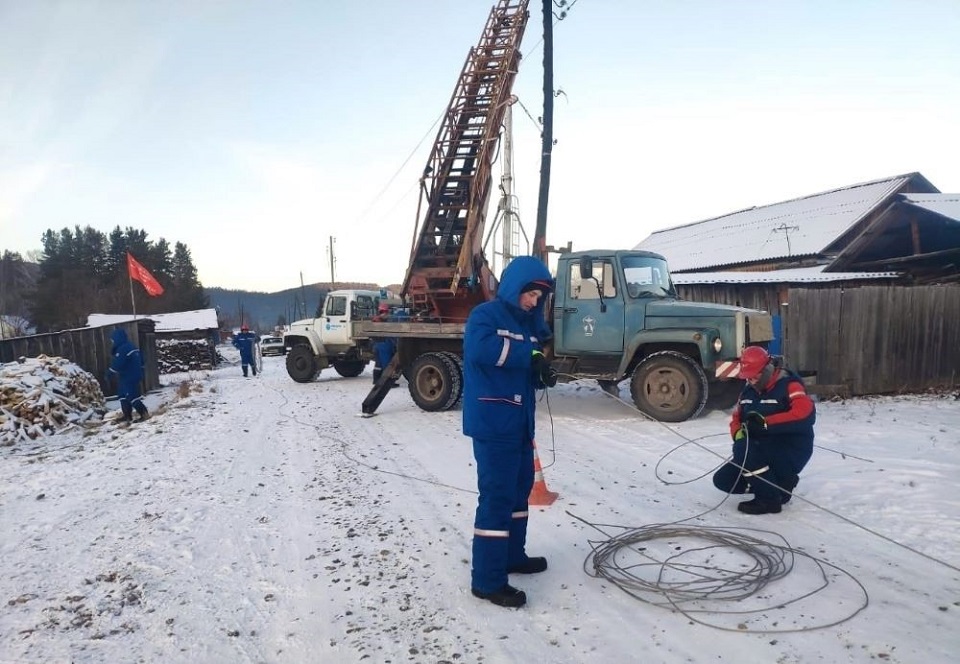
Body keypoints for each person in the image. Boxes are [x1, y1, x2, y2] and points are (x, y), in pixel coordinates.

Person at [462, 255, 556, 608]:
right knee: (497, 497)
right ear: (515, 286)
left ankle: (513, 556)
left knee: (519, 493)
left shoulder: (528, 324)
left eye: (538, 297)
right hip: (493, 422)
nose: (533, 302)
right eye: (529, 294)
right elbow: (481, 349)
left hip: (519, 422)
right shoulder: (484, 316)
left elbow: (527, 362)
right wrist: (526, 355)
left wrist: (540, 371)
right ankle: (487, 580)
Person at [712, 346, 816, 514]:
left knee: (743, 450)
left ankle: (769, 500)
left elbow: (805, 415)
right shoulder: (748, 392)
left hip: (789, 447)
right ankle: (778, 486)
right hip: (759, 448)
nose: (751, 380)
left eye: (755, 375)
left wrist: (766, 423)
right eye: (748, 377)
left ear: (767, 369)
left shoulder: (790, 385)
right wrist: (738, 433)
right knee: (723, 480)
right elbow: (737, 418)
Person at [109, 328, 149, 423]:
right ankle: (127, 416)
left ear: (117, 339)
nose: (112, 342)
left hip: (129, 375)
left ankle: (144, 413)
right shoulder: (131, 346)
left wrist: (110, 372)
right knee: (122, 394)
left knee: (130, 394)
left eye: (113, 340)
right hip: (130, 374)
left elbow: (118, 363)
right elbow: (142, 360)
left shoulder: (123, 349)